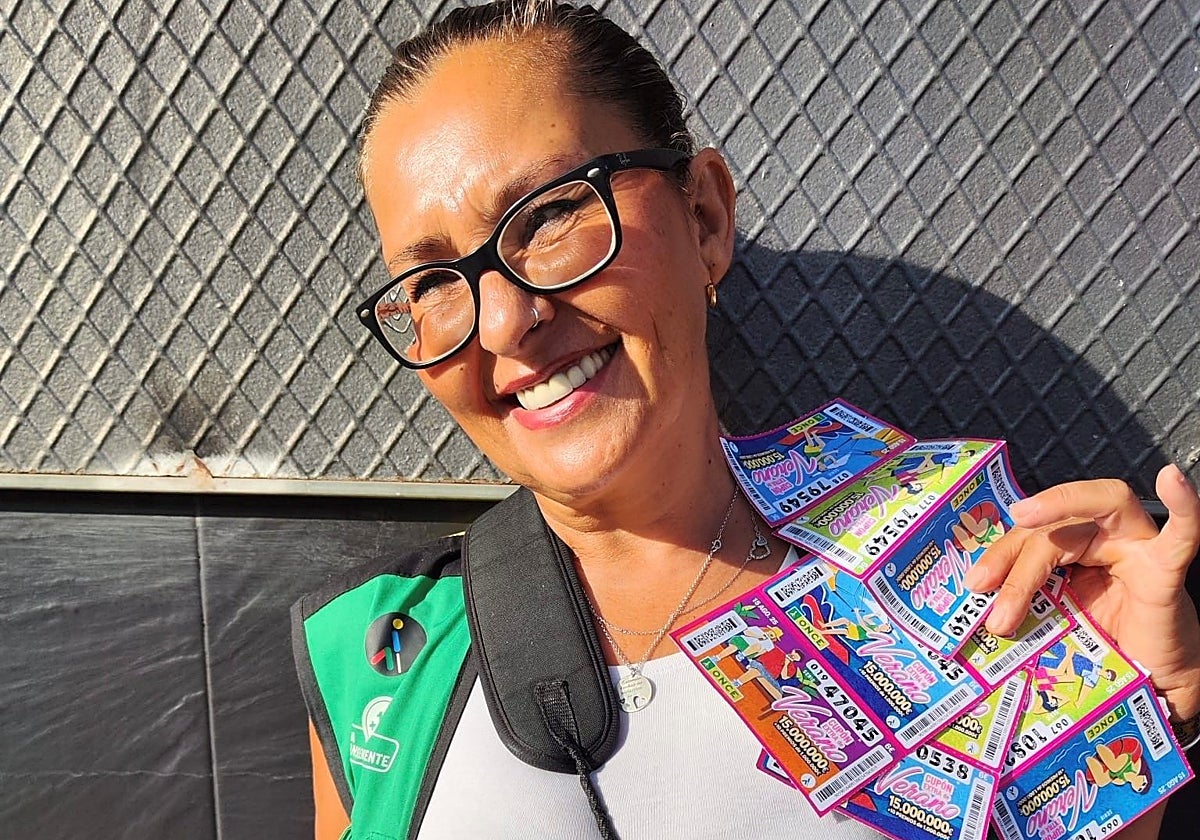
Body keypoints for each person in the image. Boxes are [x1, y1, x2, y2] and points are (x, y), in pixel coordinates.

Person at [293, 2, 1200, 838]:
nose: (502, 324)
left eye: (551, 215)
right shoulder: (371, 657)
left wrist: (1146, 715)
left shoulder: (974, 583)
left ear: (704, 216)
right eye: (430, 282)